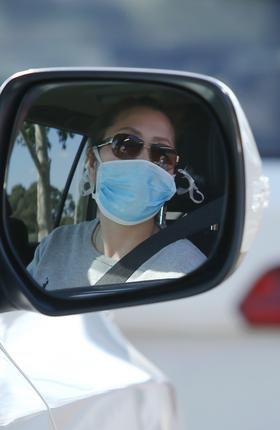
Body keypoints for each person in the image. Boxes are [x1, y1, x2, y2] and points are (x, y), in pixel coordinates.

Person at [27, 98, 207, 290]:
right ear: (93, 163)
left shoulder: (191, 271)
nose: (144, 163)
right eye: (126, 145)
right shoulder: (55, 245)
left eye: (162, 156)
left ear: (172, 175)